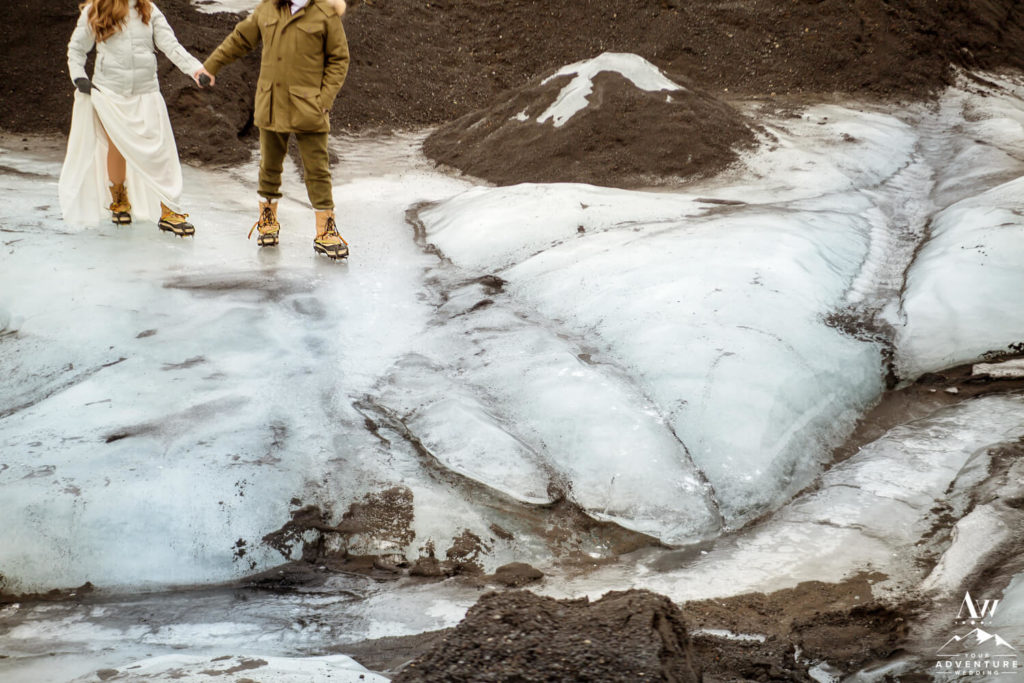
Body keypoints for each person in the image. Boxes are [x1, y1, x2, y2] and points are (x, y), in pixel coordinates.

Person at [197, 0, 350, 259]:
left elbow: (339, 59)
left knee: (317, 170)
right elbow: (240, 39)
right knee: (269, 166)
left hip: (309, 107)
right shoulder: (267, 8)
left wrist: (324, 100)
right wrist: (211, 66)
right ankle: (268, 220)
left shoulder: (325, 14)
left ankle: (326, 231)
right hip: (271, 103)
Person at [60, 0, 208, 236]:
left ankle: (169, 210)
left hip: (146, 93)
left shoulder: (148, 9)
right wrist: (79, 77)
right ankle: (119, 200)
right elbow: (76, 49)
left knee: (161, 152)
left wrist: (196, 69)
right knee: (117, 147)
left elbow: (171, 45)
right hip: (110, 93)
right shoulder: (96, 10)